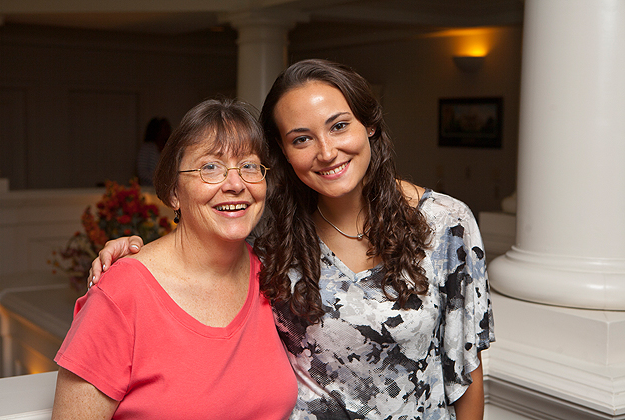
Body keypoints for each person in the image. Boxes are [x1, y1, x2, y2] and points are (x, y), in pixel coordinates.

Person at [90, 59, 494, 420]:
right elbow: (200, 249)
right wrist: (133, 252)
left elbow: (465, 373)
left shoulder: (446, 224)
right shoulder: (273, 232)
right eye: (301, 139)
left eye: (339, 126)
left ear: (369, 124)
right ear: (283, 152)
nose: (326, 151)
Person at [52, 98, 297, 419]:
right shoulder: (122, 293)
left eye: (249, 166)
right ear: (173, 192)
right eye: (210, 167)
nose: (236, 184)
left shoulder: (271, 275)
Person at [136, 117, 171, 186]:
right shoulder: (147, 148)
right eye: (165, 128)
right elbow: (142, 172)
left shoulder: (169, 149)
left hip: (165, 190)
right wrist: (158, 182)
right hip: (148, 190)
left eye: (168, 127)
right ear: (157, 130)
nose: (168, 130)